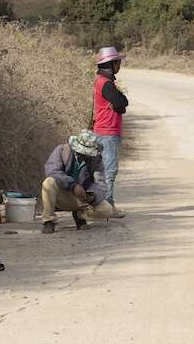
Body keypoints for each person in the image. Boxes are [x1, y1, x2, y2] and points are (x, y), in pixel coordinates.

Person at [40, 130, 114, 234]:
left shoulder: (96, 159)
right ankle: (49, 220)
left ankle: (80, 215)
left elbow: (100, 183)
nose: (85, 155)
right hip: (63, 194)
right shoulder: (61, 150)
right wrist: (73, 186)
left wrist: (92, 195)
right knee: (48, 183)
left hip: (83, 198)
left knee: (107, 210)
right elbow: (53, 172)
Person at [92, 46, 128, 217]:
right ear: (110, 64)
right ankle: (108, 207)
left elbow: (122, 103)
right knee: (110, 170)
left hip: (102, 130)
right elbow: (122, 103)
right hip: (107, 132)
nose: (119, 65)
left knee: (102, 171)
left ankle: (103, 205)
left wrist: (121, 103)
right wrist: (120, 103)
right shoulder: (106, 84)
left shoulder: (102, 82)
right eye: (117, 62)